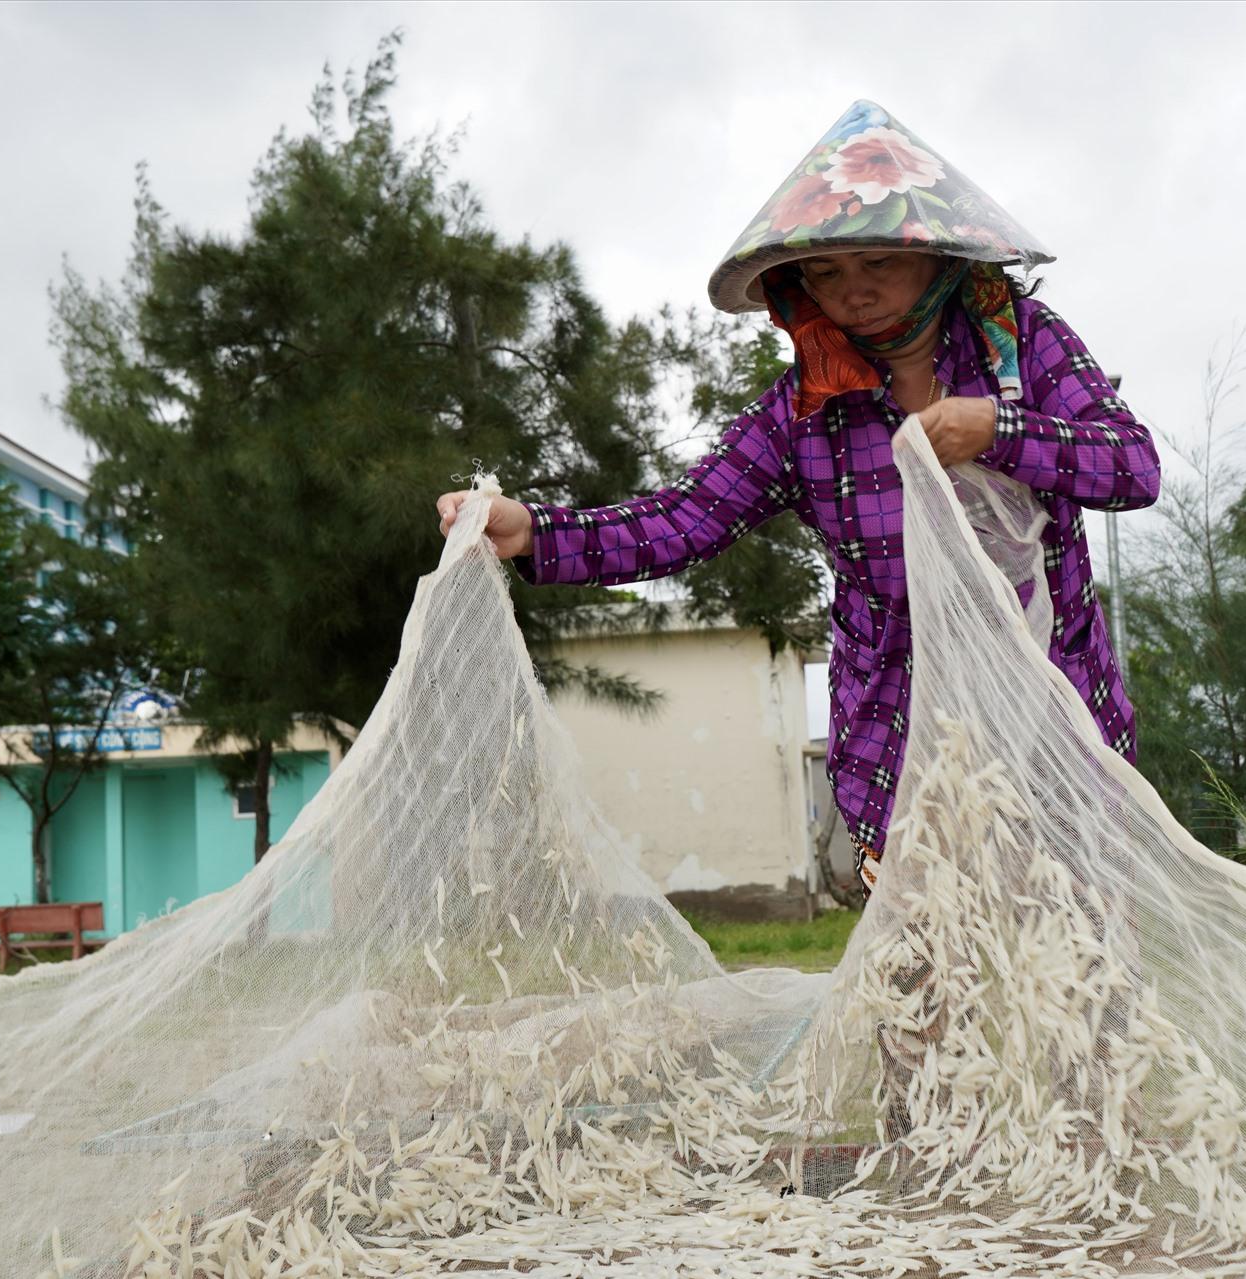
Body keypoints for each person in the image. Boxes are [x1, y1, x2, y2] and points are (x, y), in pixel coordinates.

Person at [435, 101, 1160, 895]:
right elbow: (683, 519)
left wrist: (1000, 430)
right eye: (826, 272)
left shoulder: (1024, 346)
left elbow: (1133, 466)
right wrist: (535, 529)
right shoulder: (803, 410)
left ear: (935, 256)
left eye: (877, 262)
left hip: (1052, 711)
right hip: (902, 730)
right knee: (919, 978)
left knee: (1075, 968)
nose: (853, 293)